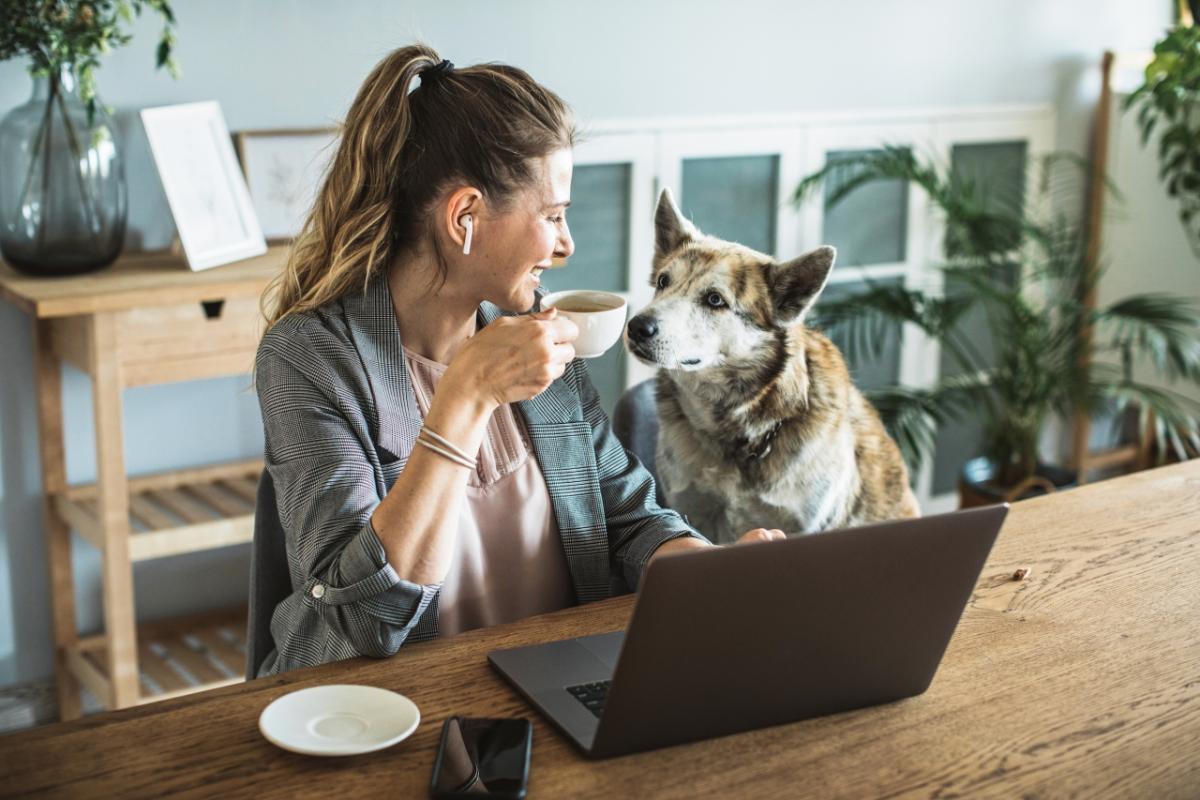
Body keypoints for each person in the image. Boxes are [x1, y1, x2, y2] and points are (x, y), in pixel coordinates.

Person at [251, 44, 784, 677]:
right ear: (465, 216)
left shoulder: (539, 333)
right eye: (553, 215)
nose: (566, 244)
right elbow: (364, 620)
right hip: (381, 710)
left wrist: (704, 568)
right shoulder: (310, 358)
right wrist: (466, 396)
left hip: (555, 683)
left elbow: (626, 515)